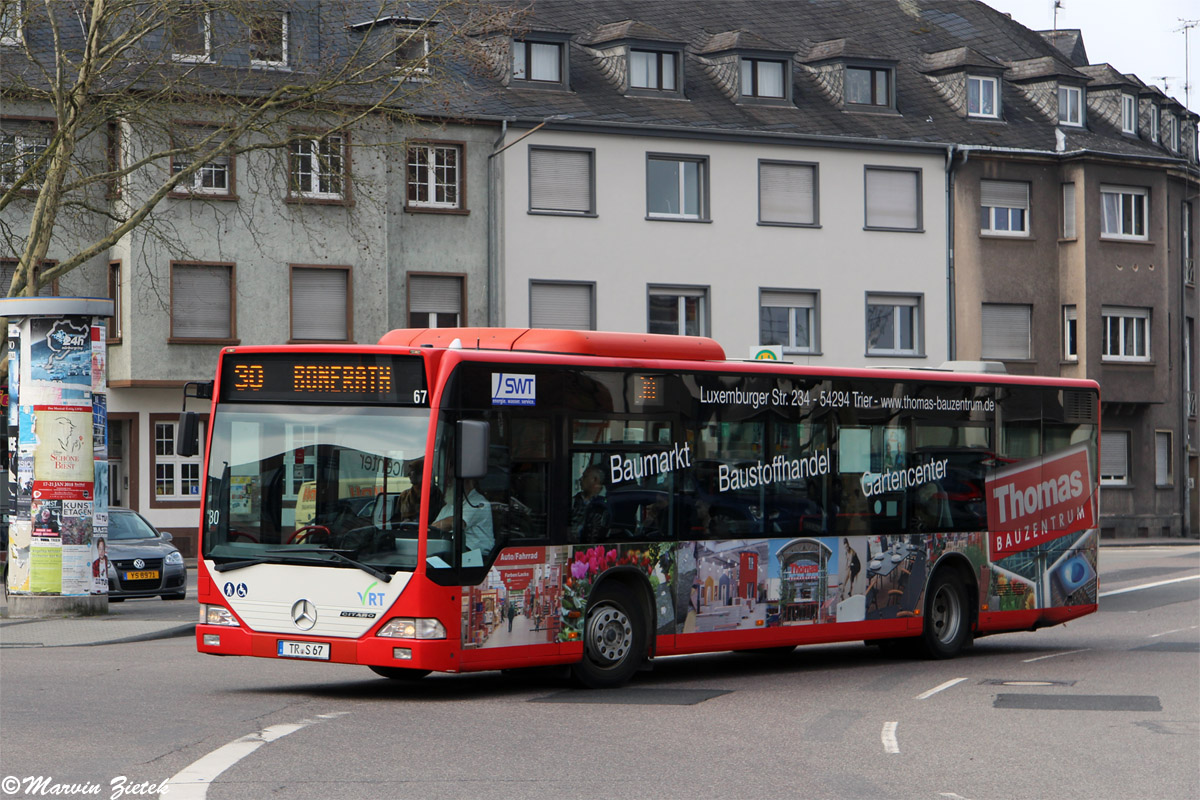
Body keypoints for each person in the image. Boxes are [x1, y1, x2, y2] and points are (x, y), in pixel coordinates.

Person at [431, 471, 494, 553]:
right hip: (455, 551)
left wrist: (429, 530)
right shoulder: (449, 506)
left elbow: (456, 522)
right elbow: (434, 529)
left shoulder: (478, 502)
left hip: (476, 555)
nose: (448, 482)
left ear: (467, 481)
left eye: (451, 478)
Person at [396, 458, 441, 525]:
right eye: (410, 471)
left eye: (413, 471)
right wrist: (403, 523)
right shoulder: (404, 496)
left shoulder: (437, 495)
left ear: (423, 473)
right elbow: (395, 520)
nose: (409, 474)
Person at [569, 465, 609, 540]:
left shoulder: (605, 504)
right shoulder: (573, 501)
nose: (580, 479)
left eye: (584, 477)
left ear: (595, 480)